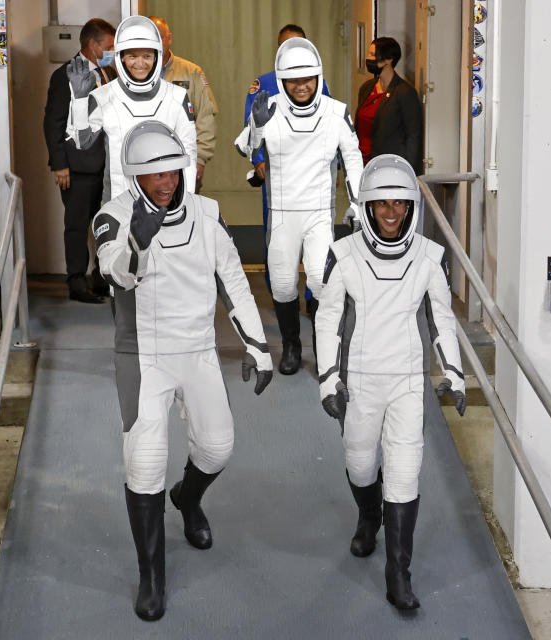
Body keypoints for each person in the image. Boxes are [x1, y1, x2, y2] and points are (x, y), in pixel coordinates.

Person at [92, 120, 273, 621]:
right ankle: (152, 577)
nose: (167, 182)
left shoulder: (206, 213)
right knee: (144, 463)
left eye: (173, 171)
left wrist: (258, 346)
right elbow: (114, 271)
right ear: (134, 176)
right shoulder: (113, 216)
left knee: (217, 447)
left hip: (196, 348)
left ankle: (187, 498)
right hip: (143, 356)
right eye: (155, 175)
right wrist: (137, 243)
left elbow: (233, 279)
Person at [315, 154, 466, 610]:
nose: (392, 213)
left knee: (404, 474)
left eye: (400, 204)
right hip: (359, 379)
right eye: (382, 204)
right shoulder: (342, 254)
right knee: (361, 464)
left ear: (411, 207)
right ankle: (368, 516)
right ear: (366, 206)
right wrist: (327, 379)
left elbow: (442, 319)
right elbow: (326, 319)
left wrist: (454, 374)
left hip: (406, 380)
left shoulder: (430, 257)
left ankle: (398, 575)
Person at [234, 37, 363, 376]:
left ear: (318, 77)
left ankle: (324, 345)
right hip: (282, 213)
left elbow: (353, 158)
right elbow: (245, 148)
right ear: (282, 79)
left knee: (322, 281)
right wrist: (256, 126)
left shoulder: (336, 112)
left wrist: (358, 205)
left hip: (319, 213)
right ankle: (292, 345)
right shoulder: (269, 108)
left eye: (308, 78)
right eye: (294, 79)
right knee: (282, 284)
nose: (302, 85)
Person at [66, 15, 196, 207]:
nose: (140, 64)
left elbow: (189, 154)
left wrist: (187, 202)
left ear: (157, 57)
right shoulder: (103, 96)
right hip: (118, 201)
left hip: (167, 202)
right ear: (121, 58)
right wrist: (79, 100)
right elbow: (81, 142)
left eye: (147, 56)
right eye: (132, 56)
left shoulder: (176, 97)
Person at [243, 24, 330, 298]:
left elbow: (328, 126)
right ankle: (281, 293)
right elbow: (251, 125)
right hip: (277, 173)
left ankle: (313, 296)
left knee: (314, 238)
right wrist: (258, 160)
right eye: (286, 45)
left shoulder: (317, 82)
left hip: (310, 174)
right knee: (279, 237)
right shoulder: (264, 83)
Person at [43, 18, 116, 303]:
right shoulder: (64, 76)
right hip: (76, 167)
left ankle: (100, 279)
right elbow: (53, 122)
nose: (112, 51)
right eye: (108, 46)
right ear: (91, 44)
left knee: (105, 225)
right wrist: (59, 164)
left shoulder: (107, 73)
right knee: (76, 226)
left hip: (106, 165)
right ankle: (76, 283)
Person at [149, 16, 218, 192]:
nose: (156, 43)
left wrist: (200, 159)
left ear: (169, 38)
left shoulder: (191, 72)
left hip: (183, 162)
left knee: (184, 214)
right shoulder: (136, 74)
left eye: (160, 37)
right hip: (146, 162)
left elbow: (206, 117)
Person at [356, 37, 423, 175]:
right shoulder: (366, 88)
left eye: (373, 55)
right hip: (361, 164)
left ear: (388, 59)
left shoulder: (405, 92)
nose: (368, 58)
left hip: (389, 168)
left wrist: (410, 173)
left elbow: (413, 137)